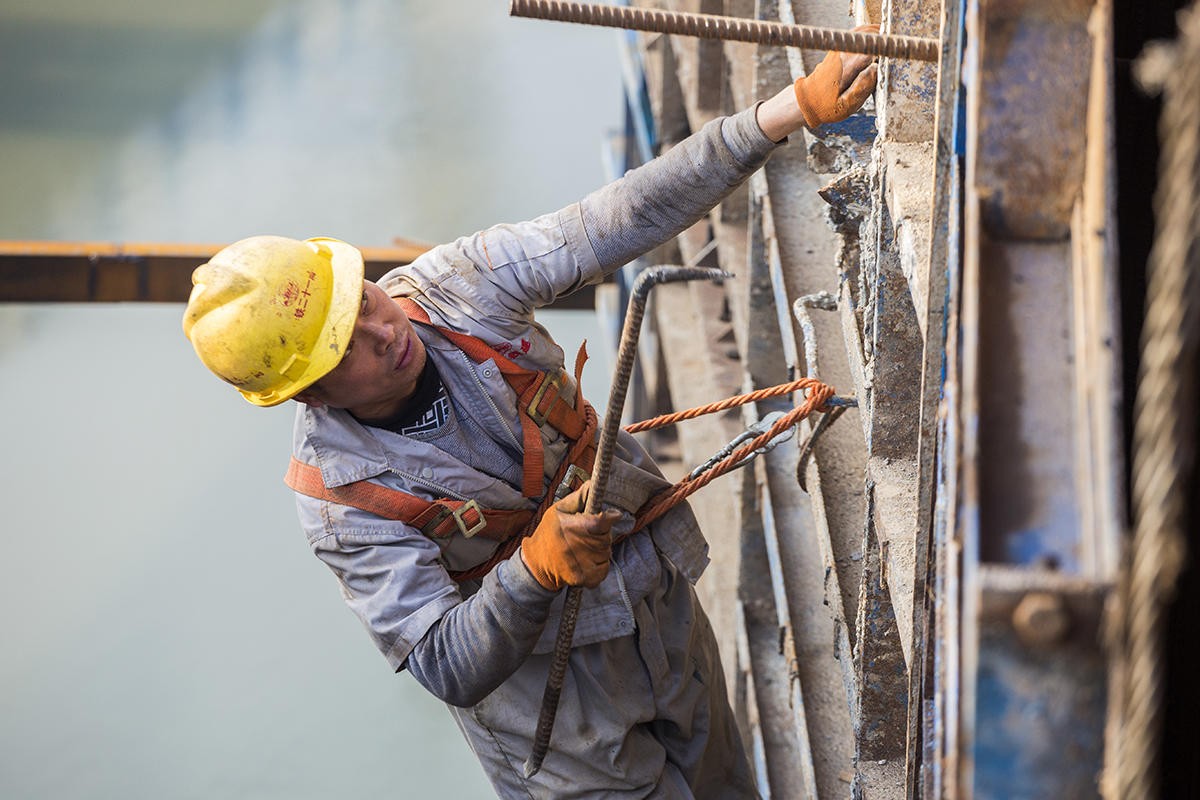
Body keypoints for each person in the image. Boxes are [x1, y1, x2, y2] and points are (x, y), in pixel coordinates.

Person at [182, 37, 877, 800]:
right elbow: (446, 662)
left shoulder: (456, 288)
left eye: (366, 303)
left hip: (657, 615)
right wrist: (534, 568)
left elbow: (613, 220)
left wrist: (777, 116)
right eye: (348, 348)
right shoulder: (344, 503)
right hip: (559, 725)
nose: (386, 332)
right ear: (309, 395)